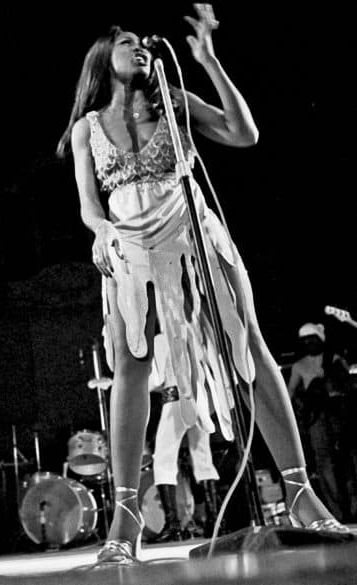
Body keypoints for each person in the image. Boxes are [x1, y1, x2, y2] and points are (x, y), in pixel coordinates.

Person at [57, 4, 348, 563]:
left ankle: (299, 490)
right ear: (102, 57)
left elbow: (245, 133)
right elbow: (89, 206)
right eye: (127, 42)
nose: (140, 47)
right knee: (131, 363)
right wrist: (100, 233)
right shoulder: (85, 128)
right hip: (131, 245)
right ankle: (126, 515)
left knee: (246, 346)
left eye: (144, 42)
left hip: (192, 234)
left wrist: (209, 61)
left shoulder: (174, 104)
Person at [149, 333, 221, 541]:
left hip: (174, 400)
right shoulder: (194, 333)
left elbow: (157, 378)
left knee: (163, 461)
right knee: (203, 459)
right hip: (200, 399)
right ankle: (215, 521)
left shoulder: (161, 340)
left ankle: (173, 525)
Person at [287, 323, 352, 521]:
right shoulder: (299, 365)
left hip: (340, 416)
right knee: (326, 466)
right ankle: (337, 513)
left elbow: (348, 384)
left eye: (312, 339)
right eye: (305, 340)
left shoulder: (333, 358)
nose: (309, 343)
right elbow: (290, 395)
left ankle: (353, 508)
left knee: (348, 463)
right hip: (317, 419)